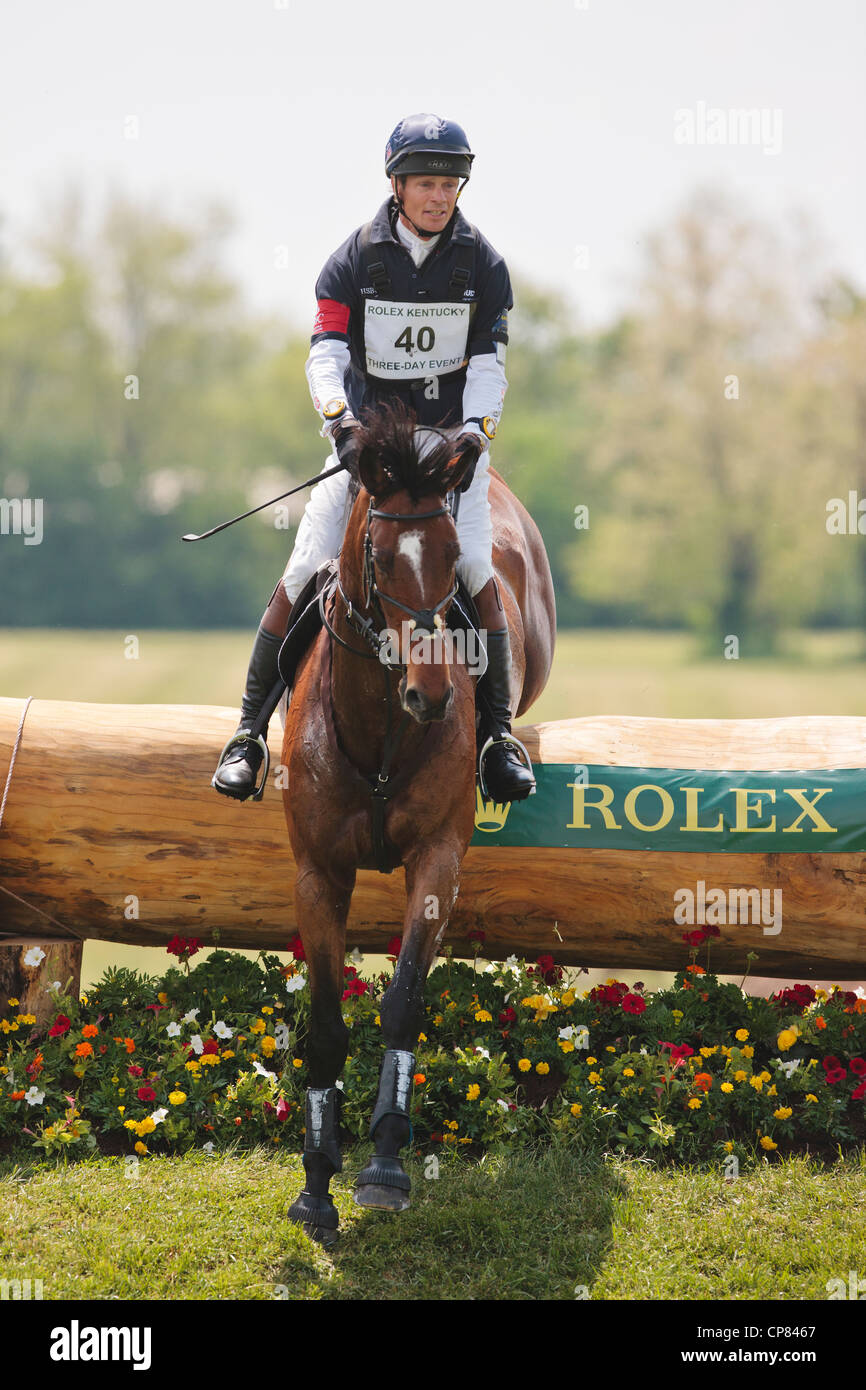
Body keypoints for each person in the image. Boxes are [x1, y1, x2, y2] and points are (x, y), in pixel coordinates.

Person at [212, 112, 535, 803]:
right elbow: (325, 356)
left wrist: (478, 430)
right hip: (369, 454)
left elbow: (488, 364)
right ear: (397, 184)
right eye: (425, 183)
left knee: (475, 566)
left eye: (449, 184)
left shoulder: (484, 266)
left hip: (447, 453)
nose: (439, 196)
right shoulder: (352, 259)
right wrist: (340, 425)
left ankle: (498, 738)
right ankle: (248, 734)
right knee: (304, 567)